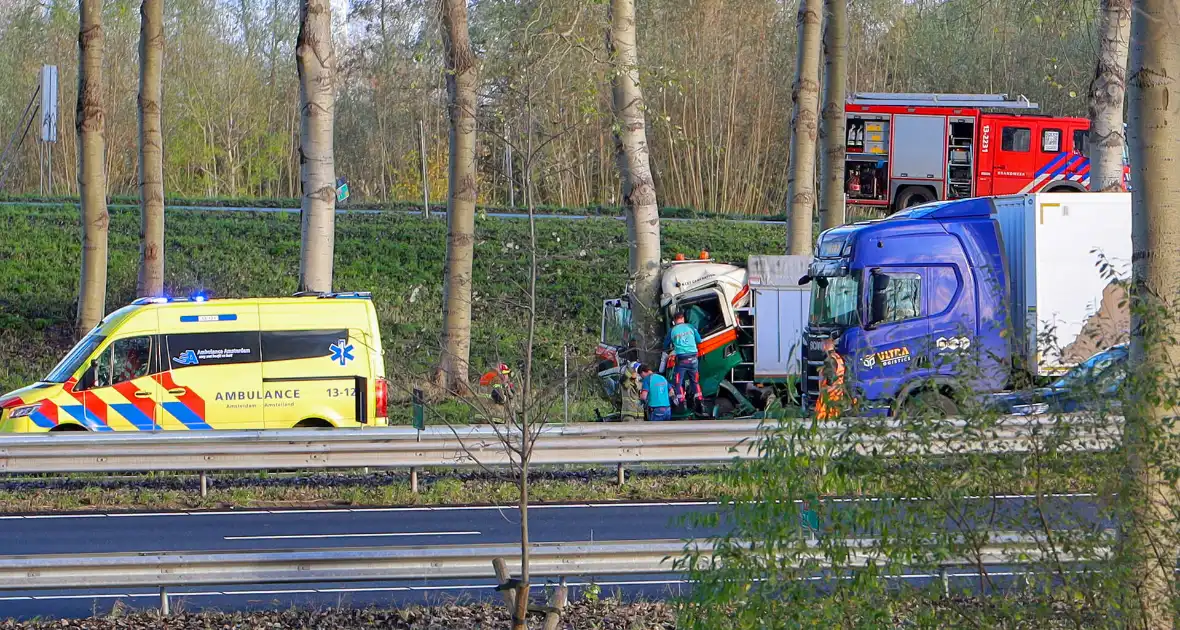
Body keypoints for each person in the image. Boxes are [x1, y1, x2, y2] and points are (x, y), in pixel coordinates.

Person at [665, 311, 703, 412]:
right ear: (683, 319)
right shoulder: (691, 327)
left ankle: (681, 404)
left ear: (674, 321)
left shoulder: (672, 330)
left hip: (682, 360)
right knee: (694, 381)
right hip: (694, 359)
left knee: (678, 382)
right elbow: (699, 340)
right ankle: (700, 402)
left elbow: (665, 344)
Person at [814, 337, 847, 420]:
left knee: (823, 421)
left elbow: (830, 378)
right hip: (838, 394)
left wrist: (825, 390)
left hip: (829, 397)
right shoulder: (838, 358)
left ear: (825, 346)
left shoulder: (829, 360)